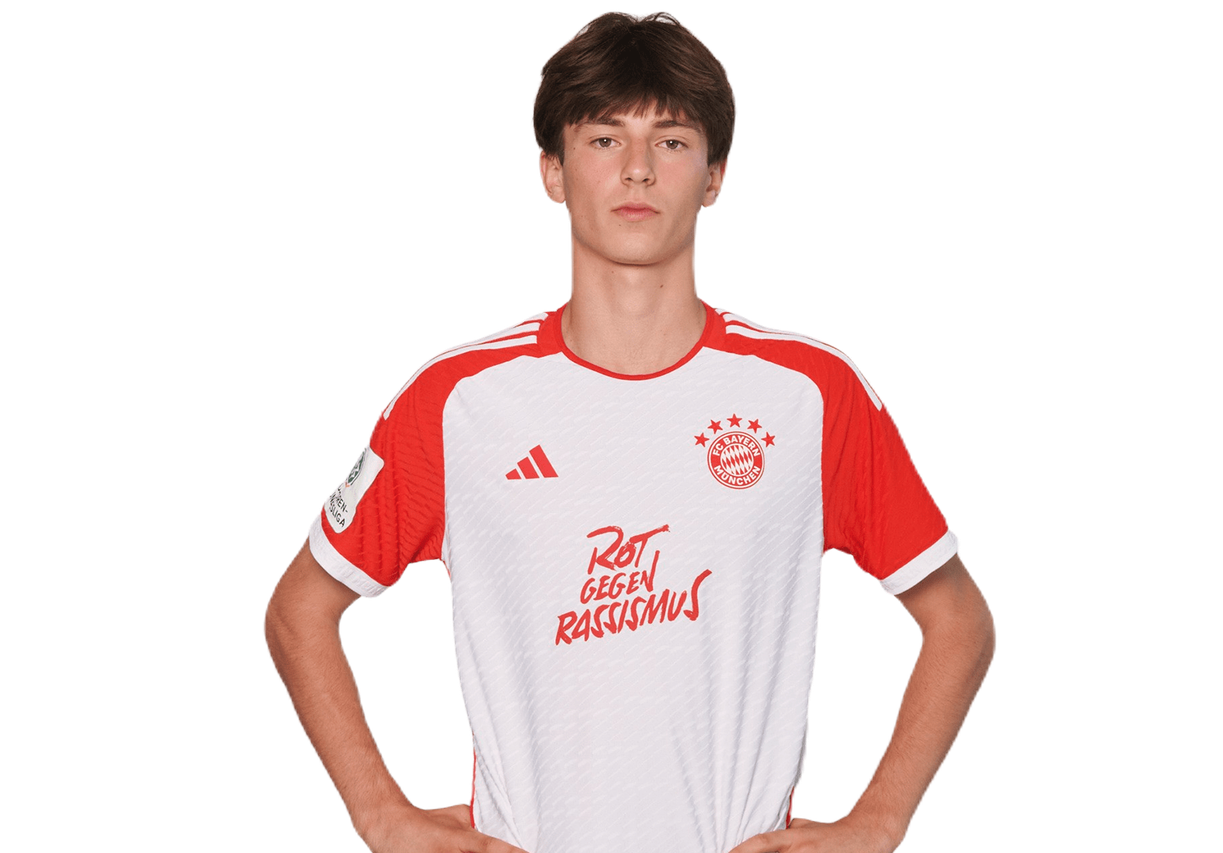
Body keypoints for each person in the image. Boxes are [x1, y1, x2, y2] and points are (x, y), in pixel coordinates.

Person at [263, 11, 996, 853]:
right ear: (551, 169)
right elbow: (298, 610)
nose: (638, 168)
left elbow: (960, 620)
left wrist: (878, 821)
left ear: (715, 175)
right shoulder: (455, 399)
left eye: (672, 141)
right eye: (605, 138)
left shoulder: (811, 392)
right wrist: (379, 814)